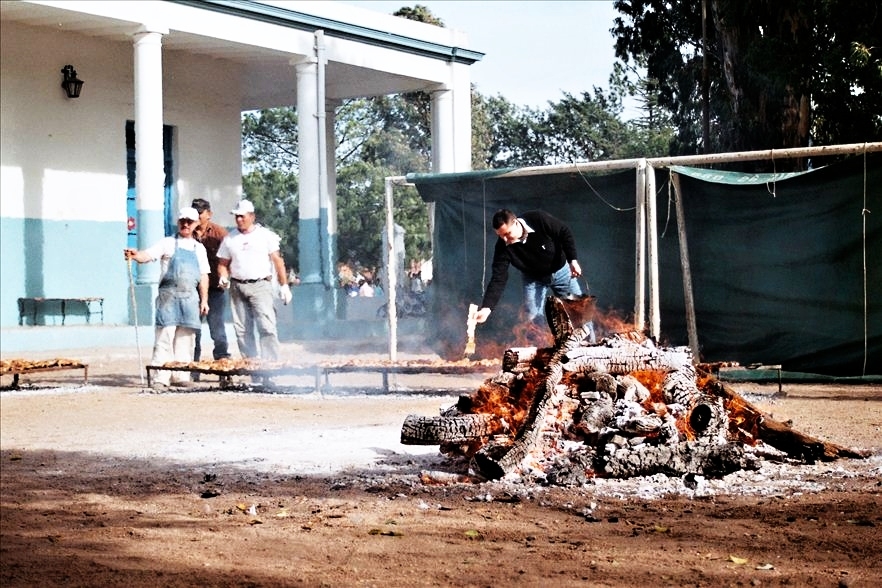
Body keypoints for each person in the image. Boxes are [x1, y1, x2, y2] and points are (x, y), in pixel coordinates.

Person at [124, 207, 210, 390]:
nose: (185, 224)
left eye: (189, 221)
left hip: (189, 299)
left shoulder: (199, 248)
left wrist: (204, 300)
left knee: (186, 339)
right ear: (178, 223)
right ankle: (160, 377)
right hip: (169, 297)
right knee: (165, 337)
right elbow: (147, 255)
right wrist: (135, 255)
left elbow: (204, 276)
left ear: (195, 224)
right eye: (182, 221)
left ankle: (180, 376)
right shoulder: (168, 243)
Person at [475, 208, 583, 325]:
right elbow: (498, 278)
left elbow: (564, 232)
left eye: (507, 234)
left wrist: (573, 260)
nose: (504, 239)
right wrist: (487, 308)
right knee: (533, 319)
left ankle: (589, 342)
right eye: (500, 235)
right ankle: (538, 342)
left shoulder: (538, 219)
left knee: (579, 310)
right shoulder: (502, 248)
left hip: (562, 271)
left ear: (516, 222)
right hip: (533, 279)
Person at [216, 199, 291, 361]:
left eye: (242, 216)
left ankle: (271, 366)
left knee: (266, 326)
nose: (239, 220)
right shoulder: (230, 238)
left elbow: (278, 261)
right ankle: (251, 365)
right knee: (242, 329)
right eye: (236, 217)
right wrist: (223, 276)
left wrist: (284, 285)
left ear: (252, 216)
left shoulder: (265, 236)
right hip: (237, 286)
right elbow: (223, 263)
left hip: (260, 285)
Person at [190, 198, 230, 363]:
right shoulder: (187, 233)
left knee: (217, 328)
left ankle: (222, 362)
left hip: (214, 288)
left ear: (209, 214)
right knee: (193, 329)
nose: (197, 216)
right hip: (193, 289)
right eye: (195, 212)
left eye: (200, 213)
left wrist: (225, 276)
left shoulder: (220, 234)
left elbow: (229, 257)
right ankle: (193, 366)